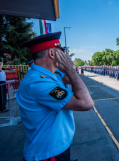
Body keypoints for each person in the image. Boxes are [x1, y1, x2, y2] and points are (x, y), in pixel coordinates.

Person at [17, 32, 94, 161]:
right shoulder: (39, 82)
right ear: (52, 54)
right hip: (48, 154)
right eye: (61, 52)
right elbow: (86, 103)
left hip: (53, 148)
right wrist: (70, 69)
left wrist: (68, 70)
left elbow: (71, 81)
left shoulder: (49, 75)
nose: (65, 56)